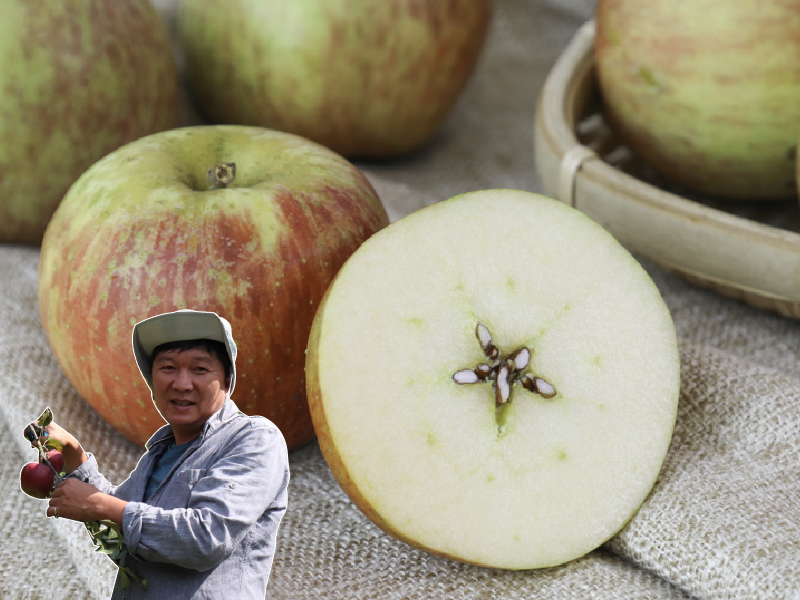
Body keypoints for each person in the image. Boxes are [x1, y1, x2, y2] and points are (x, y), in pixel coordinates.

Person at [37, 309, 290, 599]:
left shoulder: (253, 438)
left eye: (200, 369)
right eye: (168, 368)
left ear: (227, 380)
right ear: (152, 383)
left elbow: (208, 537)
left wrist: (100, 505)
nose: (182, 383)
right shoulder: (158, 454)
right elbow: (122, 535)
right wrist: (74, 454)